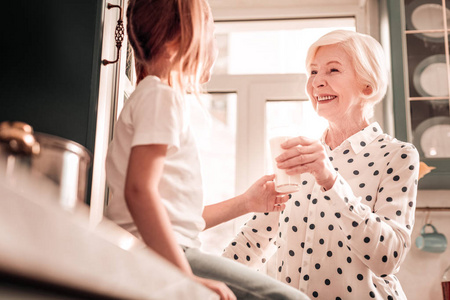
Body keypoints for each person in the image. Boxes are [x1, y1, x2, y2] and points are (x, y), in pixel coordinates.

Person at [104, 0, 310, 299]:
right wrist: (185, 278)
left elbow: (172, 216)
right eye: (211, 33)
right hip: (158, 253)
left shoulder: (149, 95)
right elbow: (139, 191)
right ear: (177, 39)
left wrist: (246, 203)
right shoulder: (161, 96)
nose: (214, 45)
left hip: (153, 249)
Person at [223, 30, 420, 299]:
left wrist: (330, 180)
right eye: (313, 72)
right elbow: (255, 239)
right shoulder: (300, 155)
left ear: (367, 86)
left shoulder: (398, 155)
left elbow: (388, 259)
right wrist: (198, 283)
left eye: (333, 70)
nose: (317, 82)